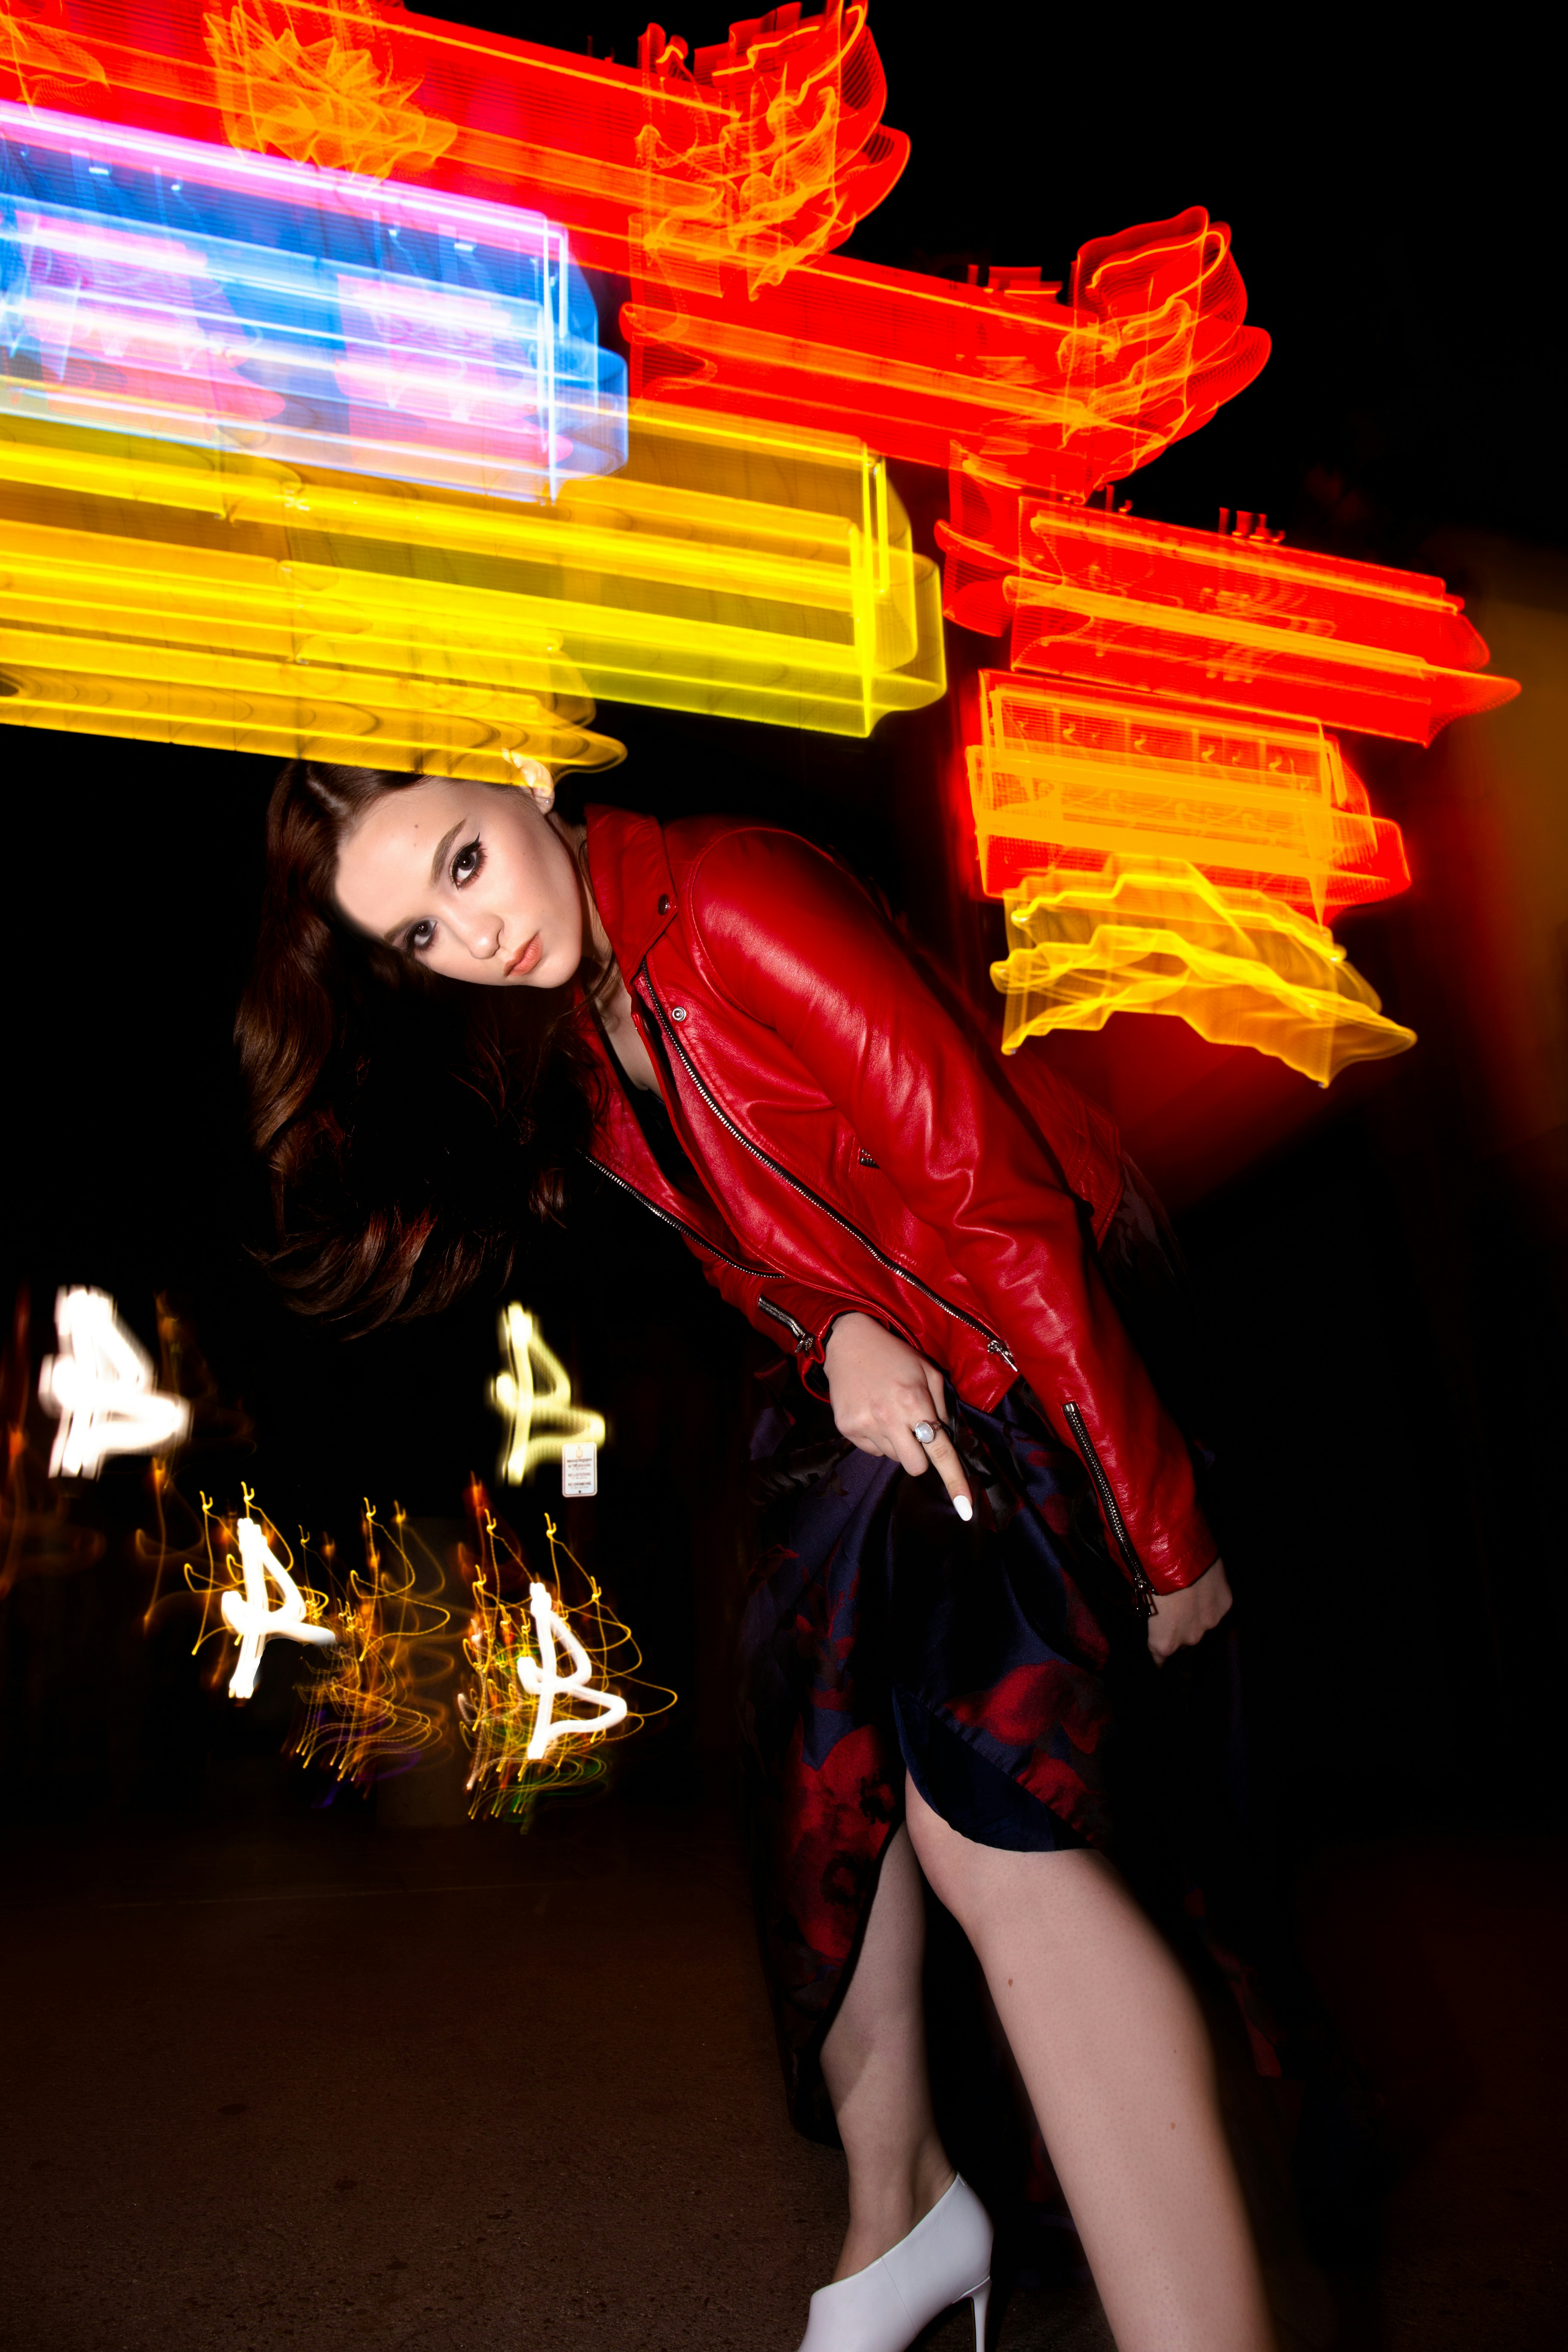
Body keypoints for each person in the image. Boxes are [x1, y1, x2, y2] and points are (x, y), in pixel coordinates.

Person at [238, 755, 1280, 2352]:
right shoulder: (578, 1033)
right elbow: (751, 1244)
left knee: (987, 1824)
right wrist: (830, 1326)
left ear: (524, 770)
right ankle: (902, 2210)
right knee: (821, 1752)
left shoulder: (732, 896)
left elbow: (998, 1206)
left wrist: (1160, 1526)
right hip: (915, 1395)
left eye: (462, 865)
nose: (472, 938)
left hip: (1063, 1360)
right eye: (417, 941)